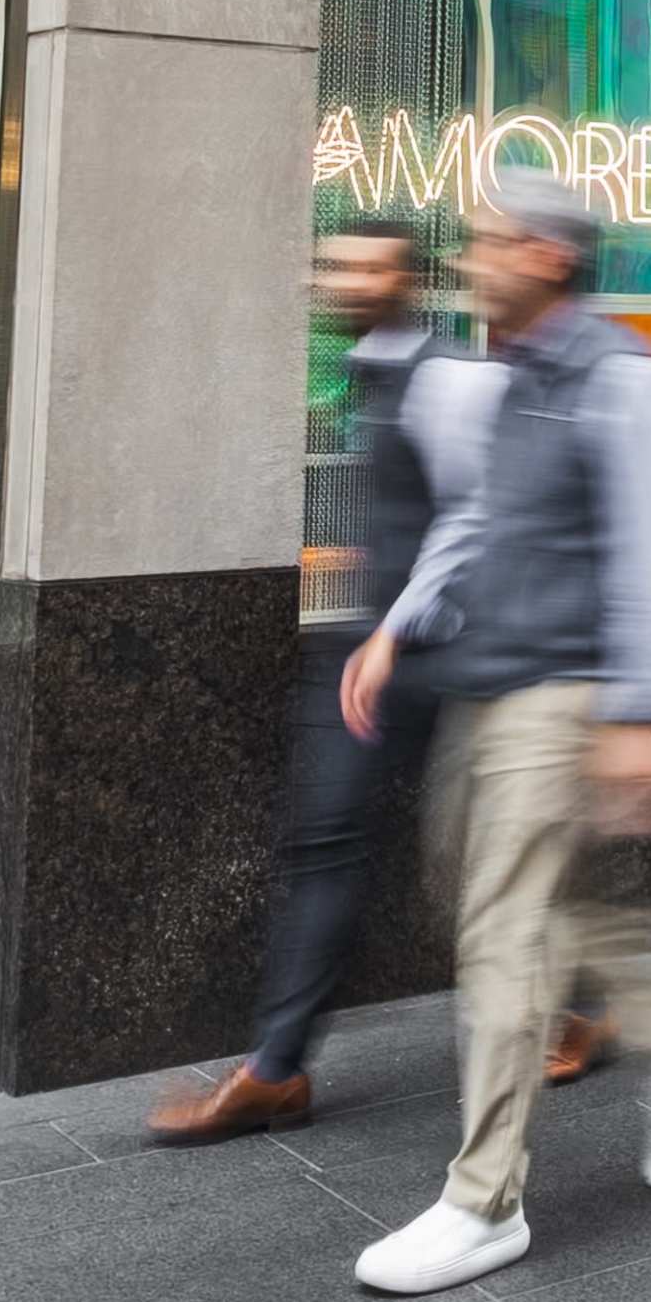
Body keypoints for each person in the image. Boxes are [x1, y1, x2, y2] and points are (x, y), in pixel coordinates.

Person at [335, 178, 651, 1296]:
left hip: (566, 691)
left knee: (505, 931)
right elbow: (475, 517)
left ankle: (484, 1203)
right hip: (489, 676)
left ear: (548, 258)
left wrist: (649, 711)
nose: (469, 259)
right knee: (571, 900)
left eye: (488, 244)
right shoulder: (503, 381)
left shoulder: (628, 380)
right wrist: (400, 623)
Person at [146, 216, 446, 1143]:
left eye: (368, 266)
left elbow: (475, 522)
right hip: (371, 647)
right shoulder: (358, 374)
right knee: (322, 841)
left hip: (442, 649)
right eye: (335, 264)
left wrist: (401, 627)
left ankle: (598, 997)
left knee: (496, 851)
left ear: (410, 280)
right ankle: (275, 1070)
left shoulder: (445, 379)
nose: (345, 279)